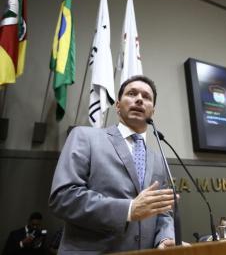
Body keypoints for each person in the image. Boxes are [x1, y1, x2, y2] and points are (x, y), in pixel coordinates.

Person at [49, 76, 177, 254]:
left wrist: (165, 237)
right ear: (117, 105)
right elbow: (63, 197)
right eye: (132, 94)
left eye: (146, 97)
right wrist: (128, 209)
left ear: (152, 111)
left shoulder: (158, 158)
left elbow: (162, 211)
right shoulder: (85, 137)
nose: (139, 99)